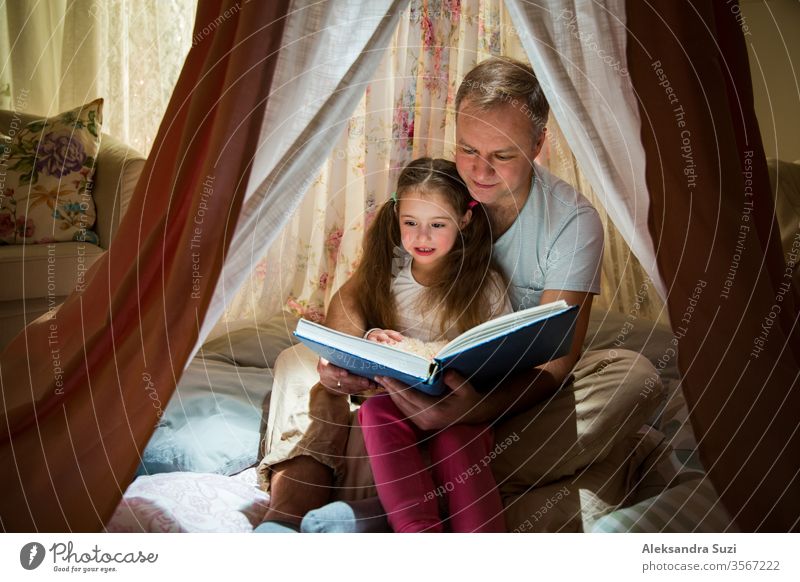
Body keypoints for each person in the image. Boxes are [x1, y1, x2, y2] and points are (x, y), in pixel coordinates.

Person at [256, 57, 662, 533]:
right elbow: (353, 296)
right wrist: (349, 357)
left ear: (538, 145)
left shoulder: (572, 223)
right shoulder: (435, 193)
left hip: (503, 406)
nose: (479, 170)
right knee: (296, 362)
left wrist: (470, 409)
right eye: (468, 149)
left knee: (635, 377)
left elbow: (557, 362)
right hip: (403, 389)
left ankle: (395, 495)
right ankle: (287, 515)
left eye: (503, 155)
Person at [354, 158, 509, 533]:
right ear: (397, 218)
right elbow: (366, 322)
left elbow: (500, 351)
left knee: (456, 437)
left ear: (464, 220)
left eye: (437, 225)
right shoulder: (388, 274)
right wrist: (373, 338)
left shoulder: (483, 284)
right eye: (411, 223)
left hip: (458, 401)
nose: (421, 237)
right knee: (374, 411)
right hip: (401, 397)